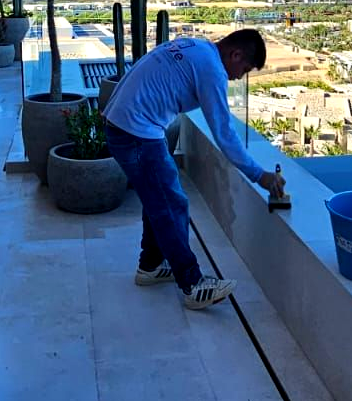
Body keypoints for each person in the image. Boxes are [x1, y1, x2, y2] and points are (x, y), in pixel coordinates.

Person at [103, 29, 286, 309]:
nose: (240, 77)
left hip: (124, 124)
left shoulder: (196, 47)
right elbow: (224, 133)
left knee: (159, 199)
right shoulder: (212, 69)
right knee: (172, 203)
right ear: (234, 54)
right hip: (135, 131)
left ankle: (150, 266)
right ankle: (192, 284)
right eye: (244, 68)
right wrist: (259, 175)